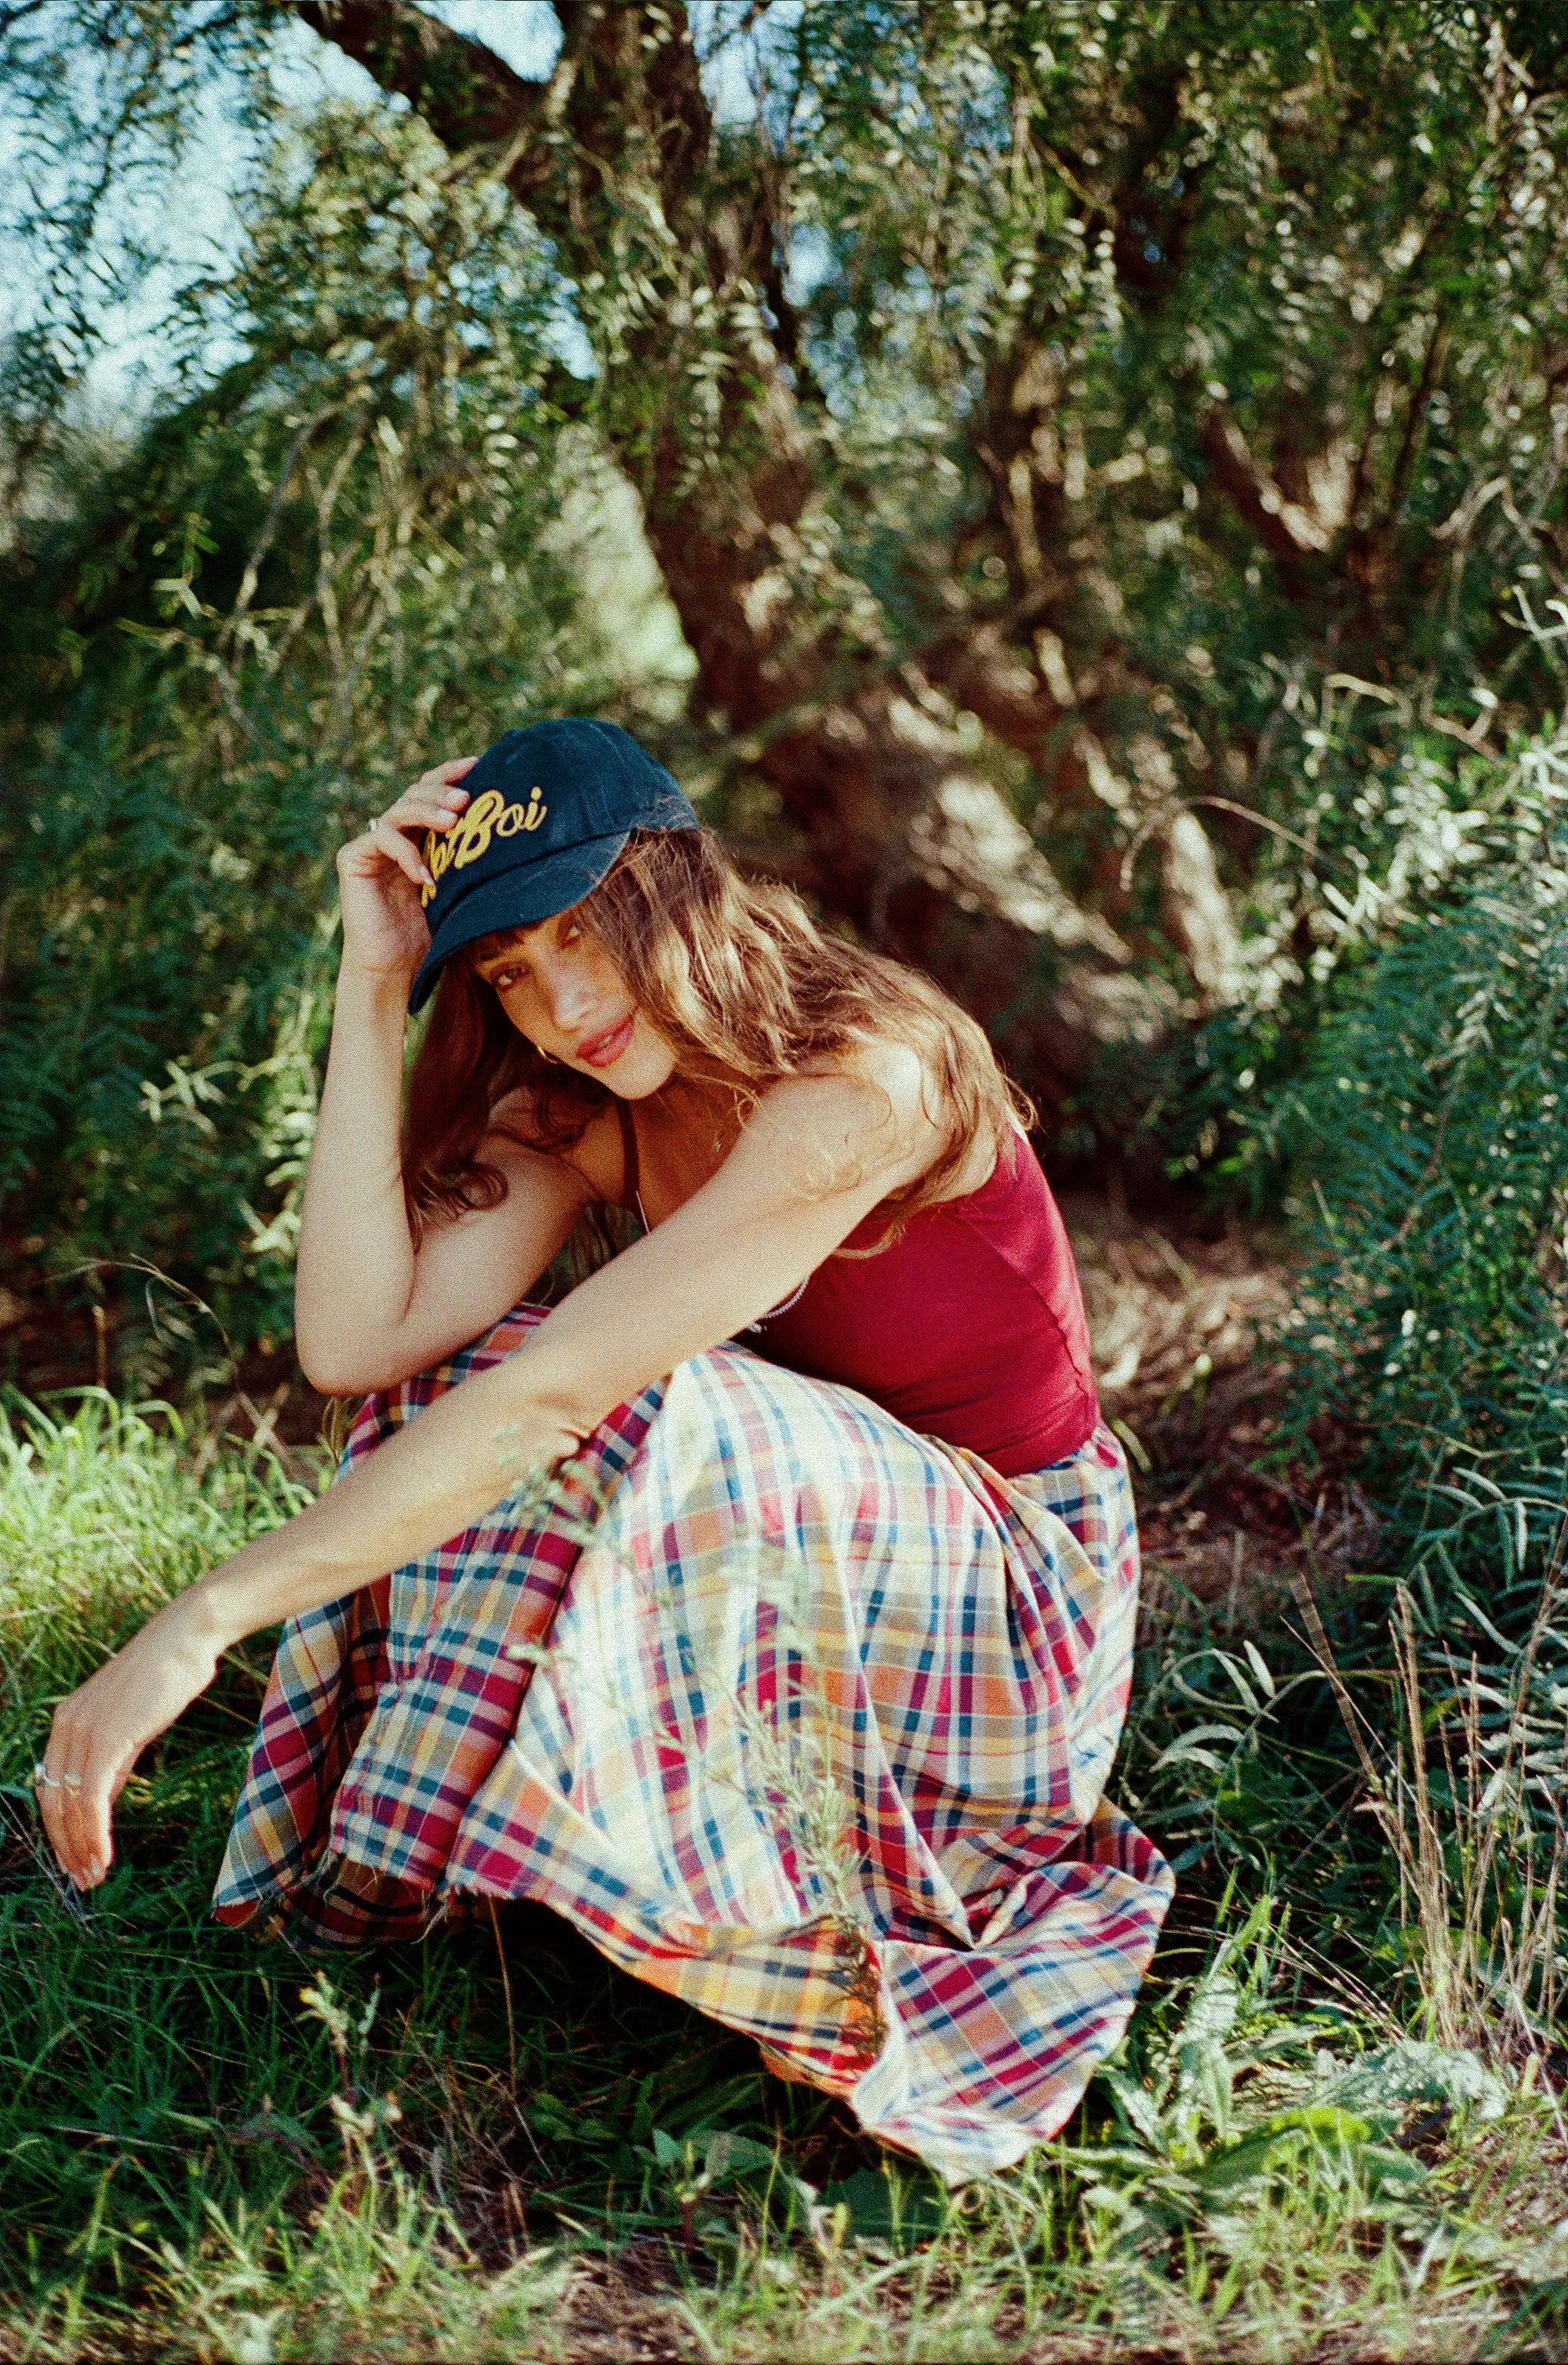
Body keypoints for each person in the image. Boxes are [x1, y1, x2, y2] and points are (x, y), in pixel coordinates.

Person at [36, 718, 1171, 2181]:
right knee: (475, 1373)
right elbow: (354, 1338)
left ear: (672, 875)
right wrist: (375, 979)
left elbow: (564, 1399)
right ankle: (393, 1868)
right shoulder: (591, 1111)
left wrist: (202, 1616)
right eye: (511, 969)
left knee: (618, 1393)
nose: (564, 1005)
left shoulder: (864, 1073)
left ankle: (540, 1855)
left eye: (583, 930)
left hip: (1016, 1603)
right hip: (855, 1554)